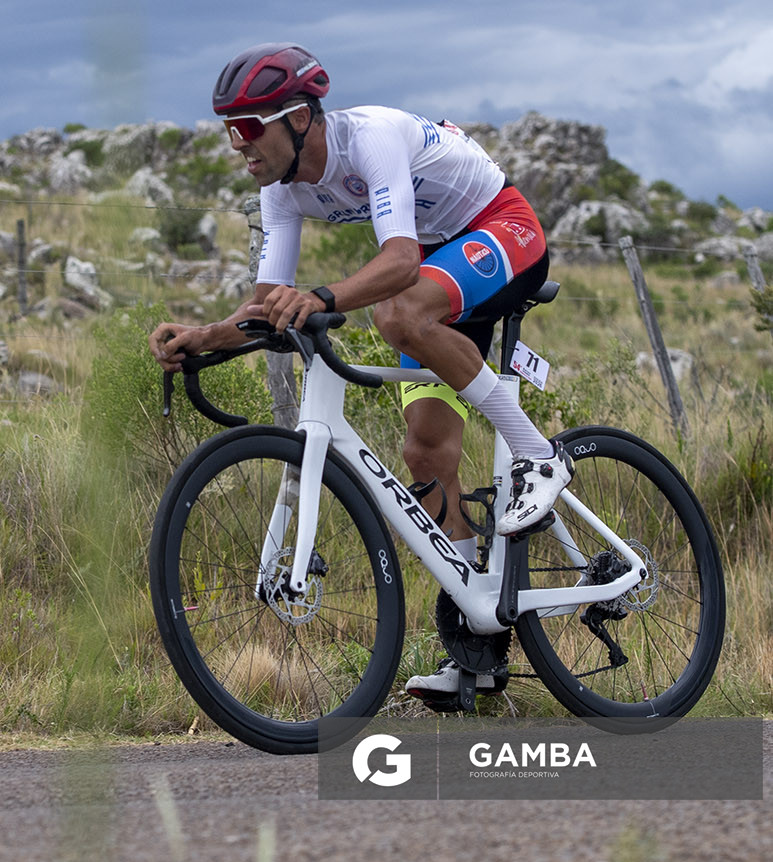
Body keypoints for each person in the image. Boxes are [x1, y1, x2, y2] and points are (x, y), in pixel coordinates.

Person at [148, 43, 573, 705]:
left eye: (248, 129)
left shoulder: (368, 139)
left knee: (399, 313)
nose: (238, 147)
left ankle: (536, 455)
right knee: (426, 451)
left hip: (500, 228)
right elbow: (266, 305)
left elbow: (400, 261)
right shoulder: (280, 190)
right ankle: (478, 640)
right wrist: (202, 338)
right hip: (440, 261)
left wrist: (322, 297)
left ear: (297, 118)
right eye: (229, 132)